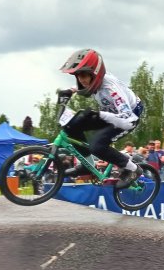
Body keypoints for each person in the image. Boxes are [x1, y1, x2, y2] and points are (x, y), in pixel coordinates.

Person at [58, 48, 143, 186]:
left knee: (97, 146)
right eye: (78, 76)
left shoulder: (111, 90)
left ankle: (133, 169)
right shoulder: (94, 80)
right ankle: (87, 164)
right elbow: (83, 84)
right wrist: (71, 90)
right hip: (110, 112)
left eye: (84, 76)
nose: (81, 80)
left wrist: (99, 115)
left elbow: (126, 117)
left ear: (95, 74)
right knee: (72, 126)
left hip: (128, 117)